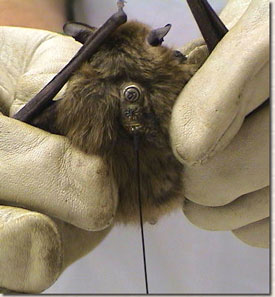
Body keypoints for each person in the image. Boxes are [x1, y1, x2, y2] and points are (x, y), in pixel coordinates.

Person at [0, 0, 269, 293]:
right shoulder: (176, 72)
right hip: (162, 193)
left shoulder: (76, 99)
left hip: (126, 193)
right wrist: (22, 41)